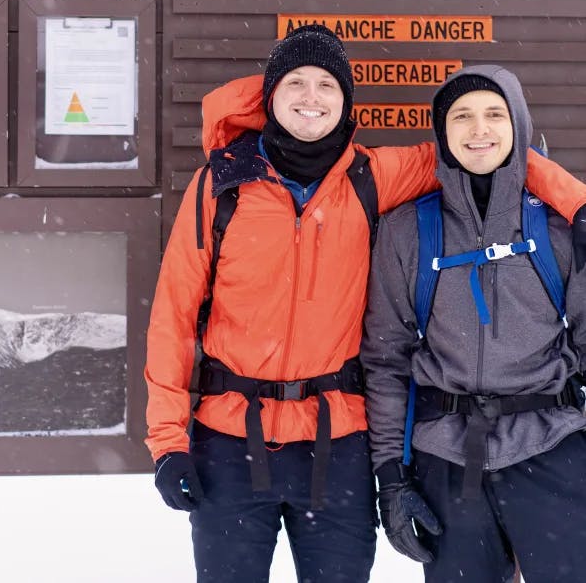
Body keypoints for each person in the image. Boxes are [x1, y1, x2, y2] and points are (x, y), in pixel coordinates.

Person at [145, 29, 586, 583]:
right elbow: (173, 315)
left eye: (327, 83)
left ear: (346, 100)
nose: (312, 96)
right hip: (231, 438)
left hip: (338, 443)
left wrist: (578, 202)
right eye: (296, 82)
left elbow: (485, 152)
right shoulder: (221, 187)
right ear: (270, 96)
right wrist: (167, 440)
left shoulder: (372, 177)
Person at [361, 64, 586, 583]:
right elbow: (385, 361)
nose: (478, 129)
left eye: (493, 114)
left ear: (519, 126)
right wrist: (391, 477)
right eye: (461, 116)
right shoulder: (407, 232)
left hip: (553, 447)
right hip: (447, 458)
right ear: (442, 133)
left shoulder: (557, 228)